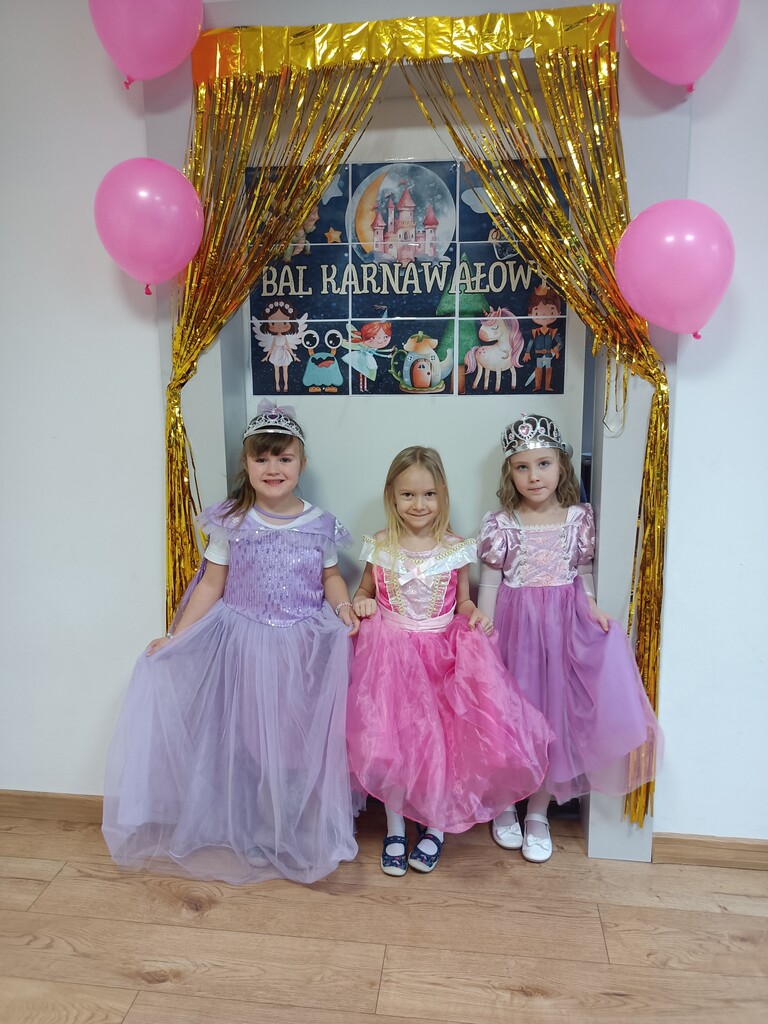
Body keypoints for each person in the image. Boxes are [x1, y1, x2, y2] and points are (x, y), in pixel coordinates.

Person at [102, 401, 360, 885]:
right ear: (246, 464)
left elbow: (330, 577)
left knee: (296, 740)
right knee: (252, 741)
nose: (273, 468)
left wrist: (343, 606)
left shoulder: (320, 523)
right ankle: (260, 827)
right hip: (245, 646)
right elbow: (210, 584)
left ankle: (293, 824)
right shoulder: (233, 521)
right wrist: (176, 637)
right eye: (262, 458)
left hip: (302, 647)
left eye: (284, 458)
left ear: (302, 464)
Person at [347, 446, 552, 876]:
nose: (419, 504)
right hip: (390, 660)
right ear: (391, 495)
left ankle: (436, 826)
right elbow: (364, 591)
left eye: (429, 494)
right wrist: (362, 602)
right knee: (393, 743)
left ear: (442, 494)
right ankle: (396, 827)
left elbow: (462, 602)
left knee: (441, 744)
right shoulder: (380, 545)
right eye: (408, 495)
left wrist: (475, 613)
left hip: (441, 657)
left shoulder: (456, 549)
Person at [477, 414, 662, 864]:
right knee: (509, 718)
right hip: (514, 632)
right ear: (509, 473)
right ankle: (504, 803)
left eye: (543, 464)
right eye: (522, 467)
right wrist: (483, 634)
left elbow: (581, 573)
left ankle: (538, 812)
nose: (533, 476)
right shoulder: (502, 524)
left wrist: (592, 606)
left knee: (552, 722)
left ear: (561, 465)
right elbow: (491, 583)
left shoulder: (578, 519)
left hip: (561, 631)